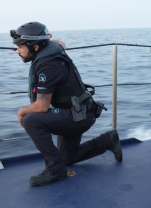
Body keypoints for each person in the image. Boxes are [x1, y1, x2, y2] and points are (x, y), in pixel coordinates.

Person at [10, 21, 123, 187]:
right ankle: (107, 140)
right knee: (67, 159)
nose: (17, 51)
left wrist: (21, 111)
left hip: (75, 116)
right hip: (79, 111)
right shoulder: (51, 51)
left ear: (34, 47)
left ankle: (55, 170)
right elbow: (59, 43)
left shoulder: (48, 65)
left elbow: (42, 106)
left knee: (31, 120)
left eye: (20, 47)